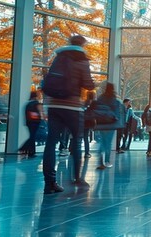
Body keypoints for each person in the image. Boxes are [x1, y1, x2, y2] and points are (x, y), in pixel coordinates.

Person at [41, 35, 96, 194]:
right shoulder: (82, 59)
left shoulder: (58, 57)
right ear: (83, 44)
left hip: (54, 104)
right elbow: (88, 84)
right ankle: (77, 177)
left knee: (51, 143)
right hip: (72, 106)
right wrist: (92, 84)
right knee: (76, 141)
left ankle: (49, 182)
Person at [89, 83, 125, 170]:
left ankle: (101, 161)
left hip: (101, 123)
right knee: (108, 143)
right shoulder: (114, 98)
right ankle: (107, 161)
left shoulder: (101, 98)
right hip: (110, 124)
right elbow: (117, 112)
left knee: (102, 142)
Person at [22, 91, 44, 158]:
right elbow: (41, 113)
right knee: (32, 137)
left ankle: (29, 151)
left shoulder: (28, 104)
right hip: (36, 122)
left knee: (32, 136)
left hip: (29, 122)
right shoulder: (37, 103)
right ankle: (25, 149)